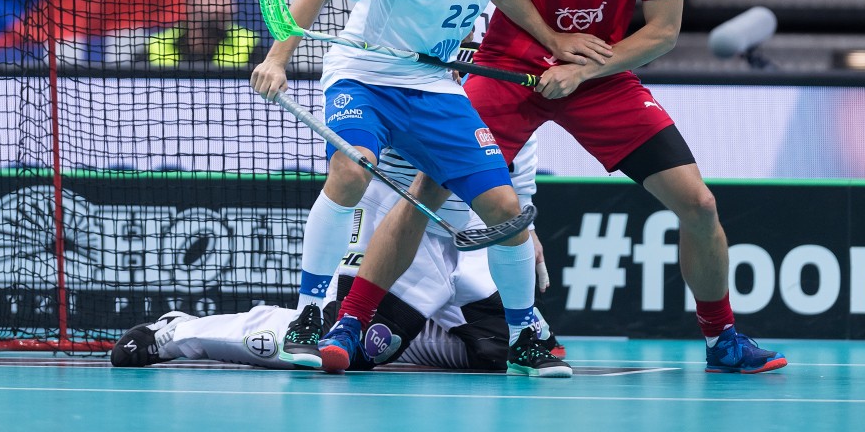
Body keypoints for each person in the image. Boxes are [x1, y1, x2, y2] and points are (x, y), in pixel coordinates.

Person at [251, 0, 609, 376]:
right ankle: (308, 315)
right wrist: (277, 59)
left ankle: (524, 336)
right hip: (365, 76)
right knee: (352, 167)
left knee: (507, 212)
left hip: (431, 84)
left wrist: (553, 40)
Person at [445, 0, 786, 374]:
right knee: (432, 186)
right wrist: (548, 41)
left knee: (699, 204)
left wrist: (582, 70)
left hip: (600, 76)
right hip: (511, 66)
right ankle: (353, 319)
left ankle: (722, 338)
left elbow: (664, 31)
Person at [111, 141, 566, 371]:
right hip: (399, 214)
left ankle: (402, 328)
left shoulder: (508, 26)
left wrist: (523, 219)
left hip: (474, 229)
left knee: (508, 352)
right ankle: (182, 333)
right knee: (342, 349)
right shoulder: (407, 25)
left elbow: (517, 140)